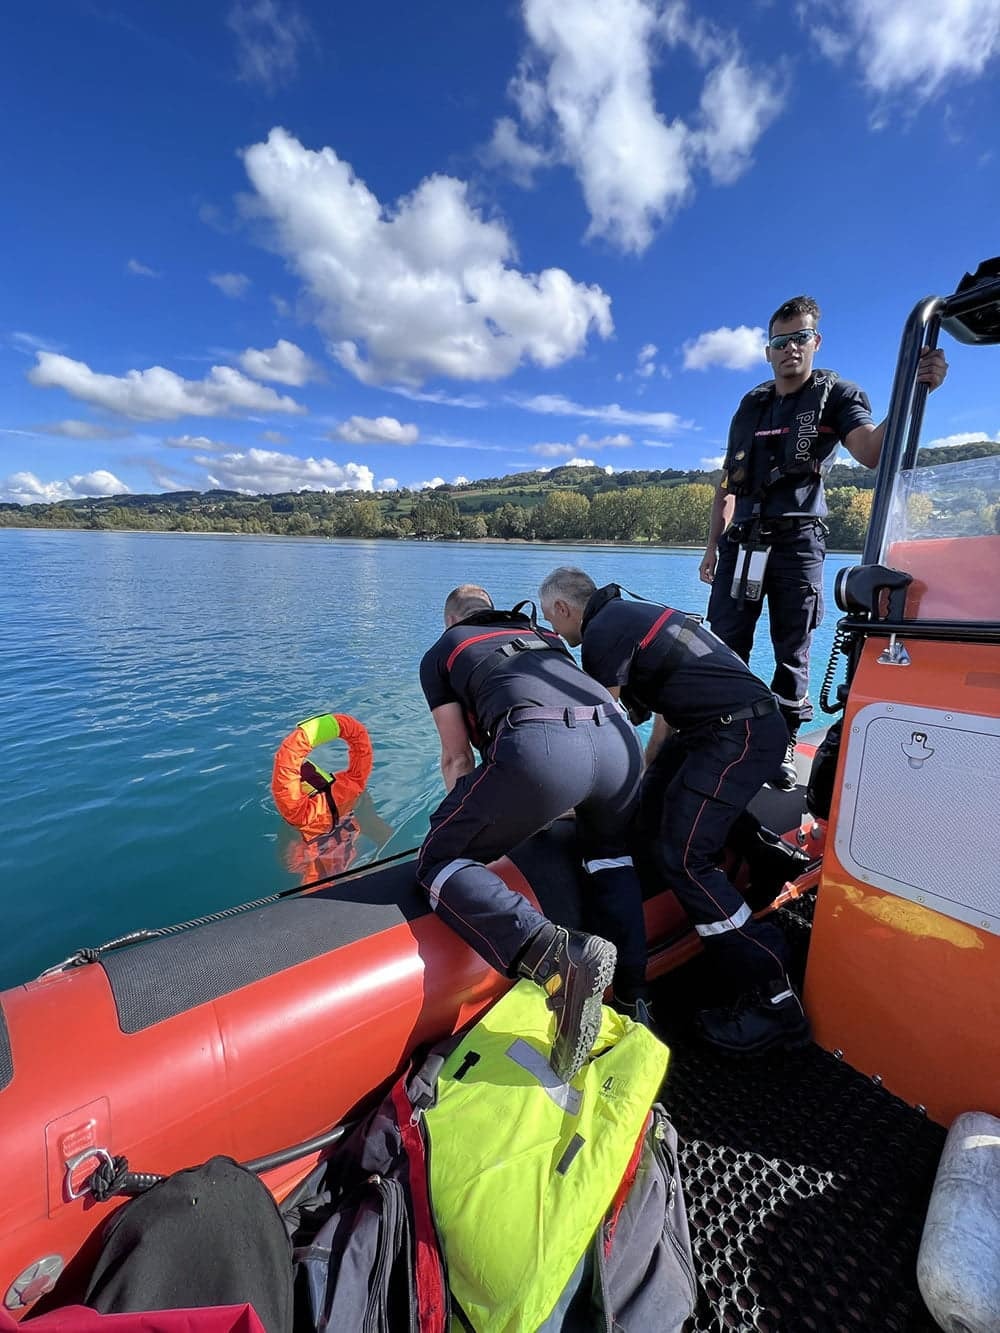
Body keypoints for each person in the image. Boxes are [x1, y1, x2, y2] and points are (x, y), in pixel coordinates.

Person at [539, 567, 804, 1056]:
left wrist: (582, 802)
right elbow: (664, 710)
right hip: (722, 729)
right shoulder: (633, 613)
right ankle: (771, 860)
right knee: (652, 804)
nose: (560, 637)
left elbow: (603, 733)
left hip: (734, 734)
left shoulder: (600, 633)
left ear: (562, 609)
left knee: (683, 857)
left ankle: (775, 993)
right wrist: (643, 776)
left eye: (556, 627)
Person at [699, 295, 948, 790]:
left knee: (791, 649)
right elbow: (728, 483)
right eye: (780, 341)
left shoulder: (836, 395)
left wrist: (915, 390)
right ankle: (721, 735)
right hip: (741, 544)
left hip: (797, 543)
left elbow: (872, 454)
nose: (790, 348)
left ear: (816, 341)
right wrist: (712, 547)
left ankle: (783, 745)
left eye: (800, 338)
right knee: (724, 646)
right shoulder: (751, 404)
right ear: (767, 351)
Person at [417, 584, 650, 1081]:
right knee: (610, 855)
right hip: (619, 743)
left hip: (543, 749)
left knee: (438, 861)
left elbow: (458, 757)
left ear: (450, 620)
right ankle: (633, 999)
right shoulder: (541, 634)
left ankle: (559, 959)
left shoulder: (444, 650)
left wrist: (463, 820)